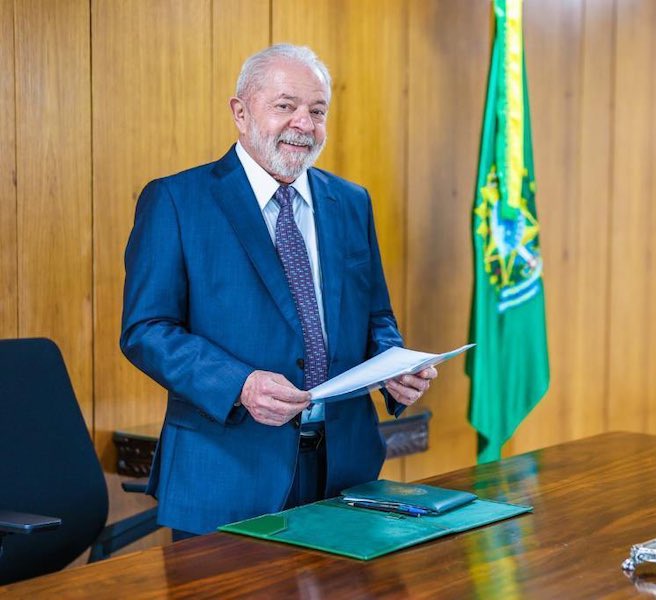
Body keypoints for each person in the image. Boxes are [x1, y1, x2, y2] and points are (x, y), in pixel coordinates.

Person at [120, 44, 437, 538]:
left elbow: (376, 316)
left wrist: (396, 367)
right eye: (285, 106)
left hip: (344, 471)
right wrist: (240, 385)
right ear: (240, 113)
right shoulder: (178, 201)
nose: (304, 125)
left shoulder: (351, 202)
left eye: (317, 111)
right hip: (227, 474)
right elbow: (146, 330)